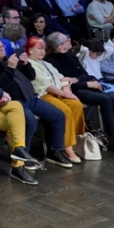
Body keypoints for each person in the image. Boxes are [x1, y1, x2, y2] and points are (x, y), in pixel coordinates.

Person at [0, 37, 64, 185]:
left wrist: (25, 63)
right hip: (14, 100)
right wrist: (10, 68)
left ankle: (55, 150)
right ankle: (22, 156)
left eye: (2, 46)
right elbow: (1, 86)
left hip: (30, 97)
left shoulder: (10, 59)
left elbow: (31, 76)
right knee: (29, 120)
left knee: (58, 115)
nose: (2, 48)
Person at [44, 33, 114, 155]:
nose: (70, 41)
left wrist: (76, 80)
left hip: (83, 85)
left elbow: (84, 74)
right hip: (73, 91)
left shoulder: (71, 56)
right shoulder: (50, 61)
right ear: (60, 45)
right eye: (67, 40)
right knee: (105, 100)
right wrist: (84, 83)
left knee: (112, 98)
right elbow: (61, 82)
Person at [24, 36, 84, 165]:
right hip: (45, 95)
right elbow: (43, 84)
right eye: (38, 49)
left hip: (60, 92)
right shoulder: (29, 64)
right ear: (29, 50)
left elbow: (62, 78)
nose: (42, 52)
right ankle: (67, 148)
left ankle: (74, 140)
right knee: (65, 111)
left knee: (76, 104)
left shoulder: (46, 63)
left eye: (43, 49)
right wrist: (64, 93)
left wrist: (67, 88)